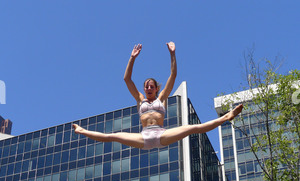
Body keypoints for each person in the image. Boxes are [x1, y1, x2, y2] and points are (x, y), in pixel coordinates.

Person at [73, 42, 243, 151]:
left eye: (151, 86)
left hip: (162, 134)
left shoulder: (162, 98)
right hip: (143, 136)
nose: (148, 88)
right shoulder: (140, 100)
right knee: (112, 136)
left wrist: (172, 54)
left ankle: (227, 117)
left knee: (194, 128)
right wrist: (132, 58)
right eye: (146, 86)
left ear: (156, 89)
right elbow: (127, 79)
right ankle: (82, 131)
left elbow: (173, 75)